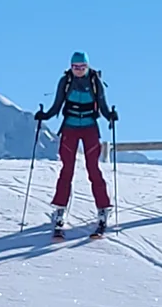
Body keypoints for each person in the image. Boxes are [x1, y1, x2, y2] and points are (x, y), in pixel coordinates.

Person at [35, 51, 118, 237]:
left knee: (93, 168)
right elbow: (57, 105)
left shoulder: (95, 82)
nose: (78, 70)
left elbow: (103, 106)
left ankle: (103, 208)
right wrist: (45, 116)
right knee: (67, 170)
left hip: (89, 127)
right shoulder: (65, 82)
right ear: (71, 67)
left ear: (87, 67)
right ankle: (59, 209)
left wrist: (110, 116)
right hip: (70, 128)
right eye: (75, 67)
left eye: (82, 67)